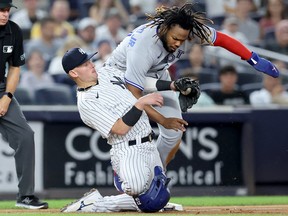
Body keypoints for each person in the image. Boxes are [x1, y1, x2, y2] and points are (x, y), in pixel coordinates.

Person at [102, 2, 280, 169]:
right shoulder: (144, 46)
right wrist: (163, 120)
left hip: (154, 75)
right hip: (120, 80)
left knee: (174, 133)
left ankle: (155, 175)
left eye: (183, 39)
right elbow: (134, 92)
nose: (179, 43)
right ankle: (124, 171)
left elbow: (222, 39)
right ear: (164, 28)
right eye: (175, 38)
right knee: (136, 132)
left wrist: (252, 57)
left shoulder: (189, 30)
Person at [60, 47, 188, 212]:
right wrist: (140, 103)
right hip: (127, 149)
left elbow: (139, 82)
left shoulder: (106, 73)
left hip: (149, 143)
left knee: (156, 198)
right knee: (136, 189)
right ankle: (96, 203)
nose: (91, 65)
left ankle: (147, 201)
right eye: (84, 64)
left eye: (89, 61)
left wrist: (172, 85)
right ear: (74, 73)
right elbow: (120, 128)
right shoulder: (86, 102)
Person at [0, 0, 48, 209]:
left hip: (2, 90)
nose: (5, 14)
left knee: (26, 137)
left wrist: (7, 96)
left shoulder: (14, 30)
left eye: (7, 10)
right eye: (1, 10)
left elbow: (15, 68)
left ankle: (26, 196)